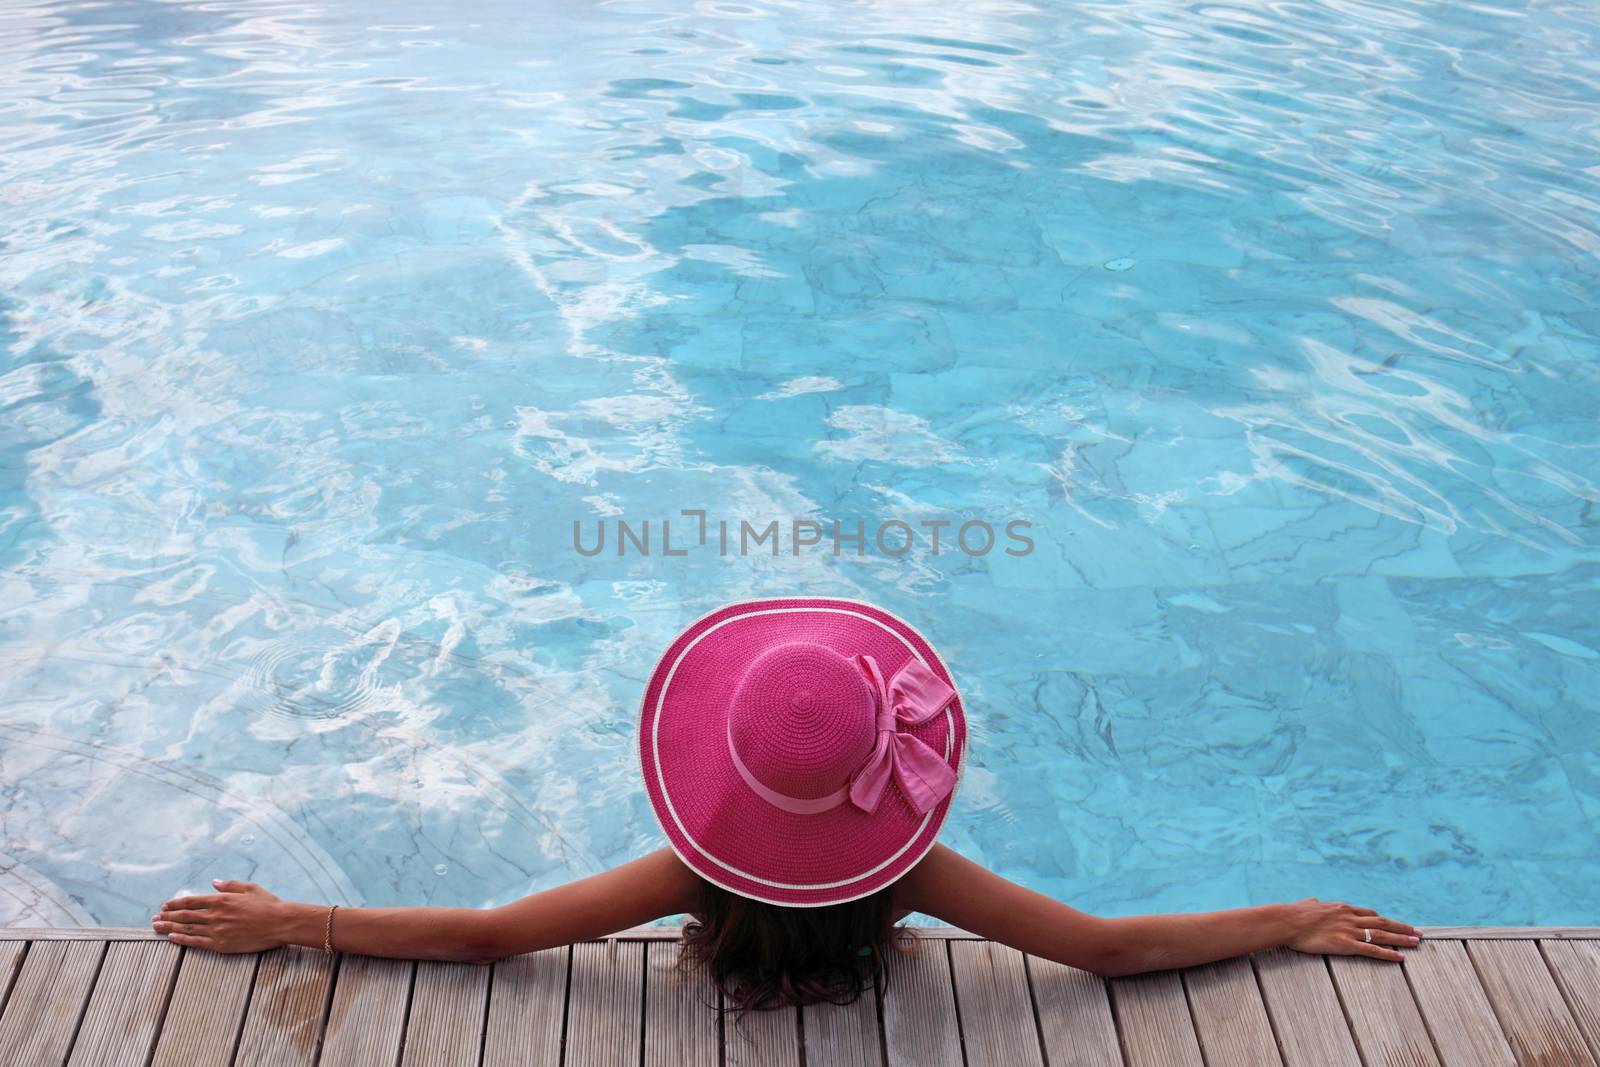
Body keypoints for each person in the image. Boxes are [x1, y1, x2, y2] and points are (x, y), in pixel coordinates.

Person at [152, 597, 1421, 1017]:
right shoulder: (911, 878)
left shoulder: (688, 877)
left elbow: (487, 936)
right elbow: (1105, 948)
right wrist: (1285, 913)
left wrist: (293, 918)